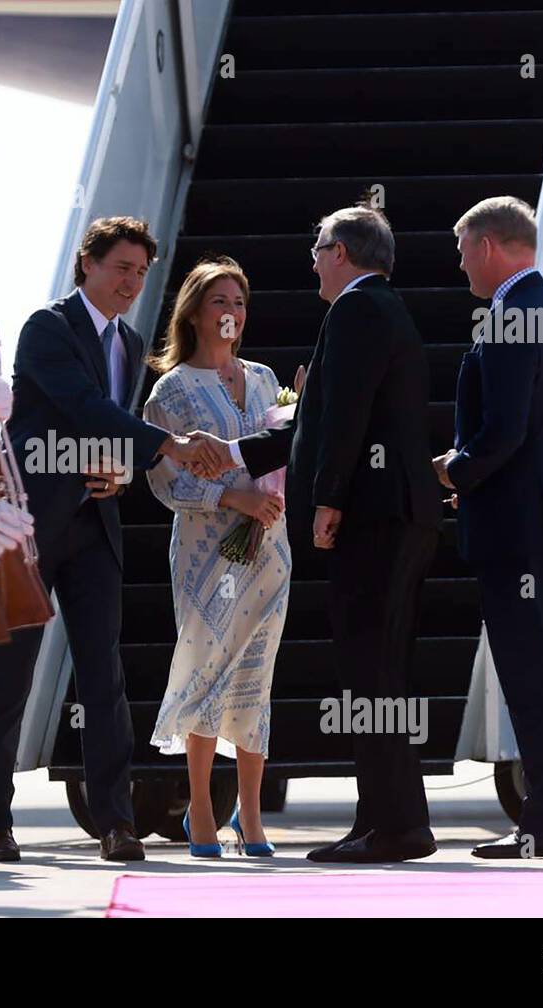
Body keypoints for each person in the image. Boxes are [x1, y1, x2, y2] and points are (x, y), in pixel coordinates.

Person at [189, 205, 441, 863]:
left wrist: (329, 499)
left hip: (373, 519)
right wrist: (233, 450)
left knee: (372, 675)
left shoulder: (357, 310)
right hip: (395, 515)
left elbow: (346, 419)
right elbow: (313, 422)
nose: (311, 259)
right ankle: (387, 817)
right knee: (378, 674)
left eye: (318, 246)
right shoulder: (381, 309)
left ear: (342, 252)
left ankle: (396, 827)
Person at [0, 216, 208, 862]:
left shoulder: (131, 344)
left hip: (94, 525)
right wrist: (164, 445)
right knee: (11, 673)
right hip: (35, 522)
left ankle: (116, 823)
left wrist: (121, 469)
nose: (132, 281)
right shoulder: (47, 327)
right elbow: (81, 406)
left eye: (140, 271)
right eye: (121, 268)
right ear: (88, 266)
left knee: (104, 673)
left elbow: (108, 429)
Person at [435, 196, 543, 859]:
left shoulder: (511, 316)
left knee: (535, 679)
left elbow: (503, 431)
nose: (458, 265)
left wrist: (455, 471)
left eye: (460, 251)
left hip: (523, 527)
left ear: (487, 246)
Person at [142, 257, 289, 858]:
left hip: (269, 547)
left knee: (257, 672)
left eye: (239, 302)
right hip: (207, 549)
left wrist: (268, 498)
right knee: (207, 667)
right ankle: (201, 808)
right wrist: (234, 496)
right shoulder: (171, 390)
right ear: (196, 314)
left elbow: (280, 449)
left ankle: (250, 817)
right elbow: (165, 481)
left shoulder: (263, 379)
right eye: (219, 302)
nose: (231, 312)